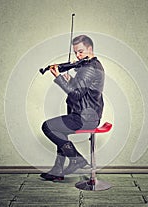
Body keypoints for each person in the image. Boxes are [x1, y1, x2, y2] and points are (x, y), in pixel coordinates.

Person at [40, 35, 105, 181]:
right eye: (76, 52)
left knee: (48, 127)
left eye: (81, 51)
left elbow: (76, 95)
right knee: (59, 131)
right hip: (88, 115)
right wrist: (72, 80)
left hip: (84, 118)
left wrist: (59, 77)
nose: (78, 55)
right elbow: (83, 89)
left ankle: (77, 159)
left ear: (90, 49)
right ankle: (57, 171)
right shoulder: (92, 65)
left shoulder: (89, 68)